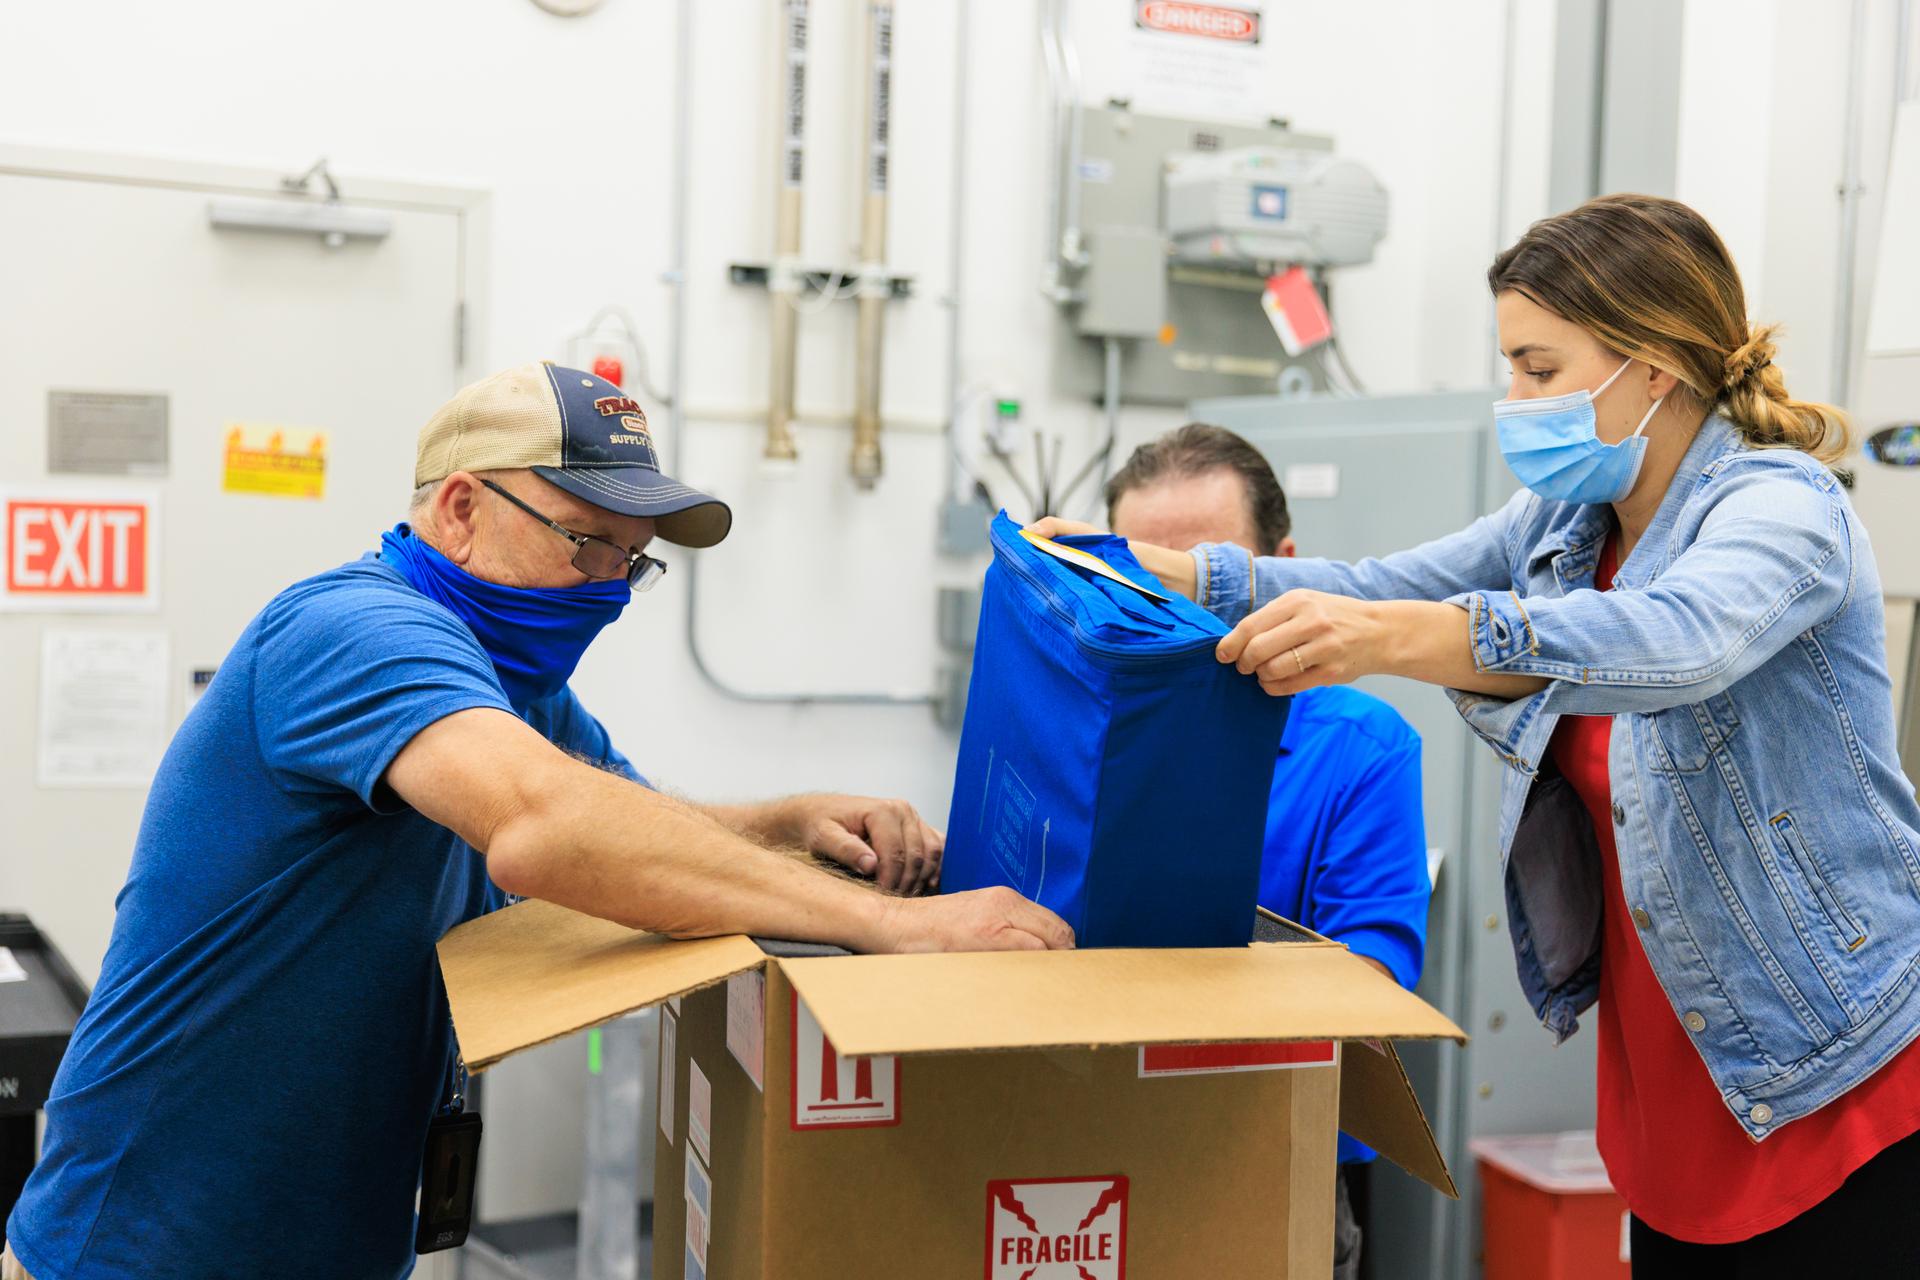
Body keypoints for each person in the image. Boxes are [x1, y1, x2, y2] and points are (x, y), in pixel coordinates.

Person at [1, 362, 1071, 1280]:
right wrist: (890, 926)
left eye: (631, 561)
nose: (608, 589)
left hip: (326, 1242)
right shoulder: (352, 631)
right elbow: (551, 828)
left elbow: (634, 826)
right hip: (146, 1246)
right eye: (585, 543)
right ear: (462, 508)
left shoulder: (512, 684)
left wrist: (784, 823)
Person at [1039, 194, 1920, 1275]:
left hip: (1839, 1066)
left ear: (1654, 365)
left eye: (1541, 369)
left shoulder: (1781, 508)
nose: (1516, 401)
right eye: (1511, 367)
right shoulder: (1567, 522)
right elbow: (1380, 582)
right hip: (1677, 1076)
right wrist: (1163, 570)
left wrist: (1399, 640)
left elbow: (1676, 639)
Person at [1105, 422, 1428, 1280]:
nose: (1175, 613)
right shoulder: (1083, 736)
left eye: (1201, 579)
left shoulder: (1359, 749)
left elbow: (1373, 984)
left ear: (1281, 570)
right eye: (1144, 582)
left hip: (1276, 1159)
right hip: (1093, 1137)